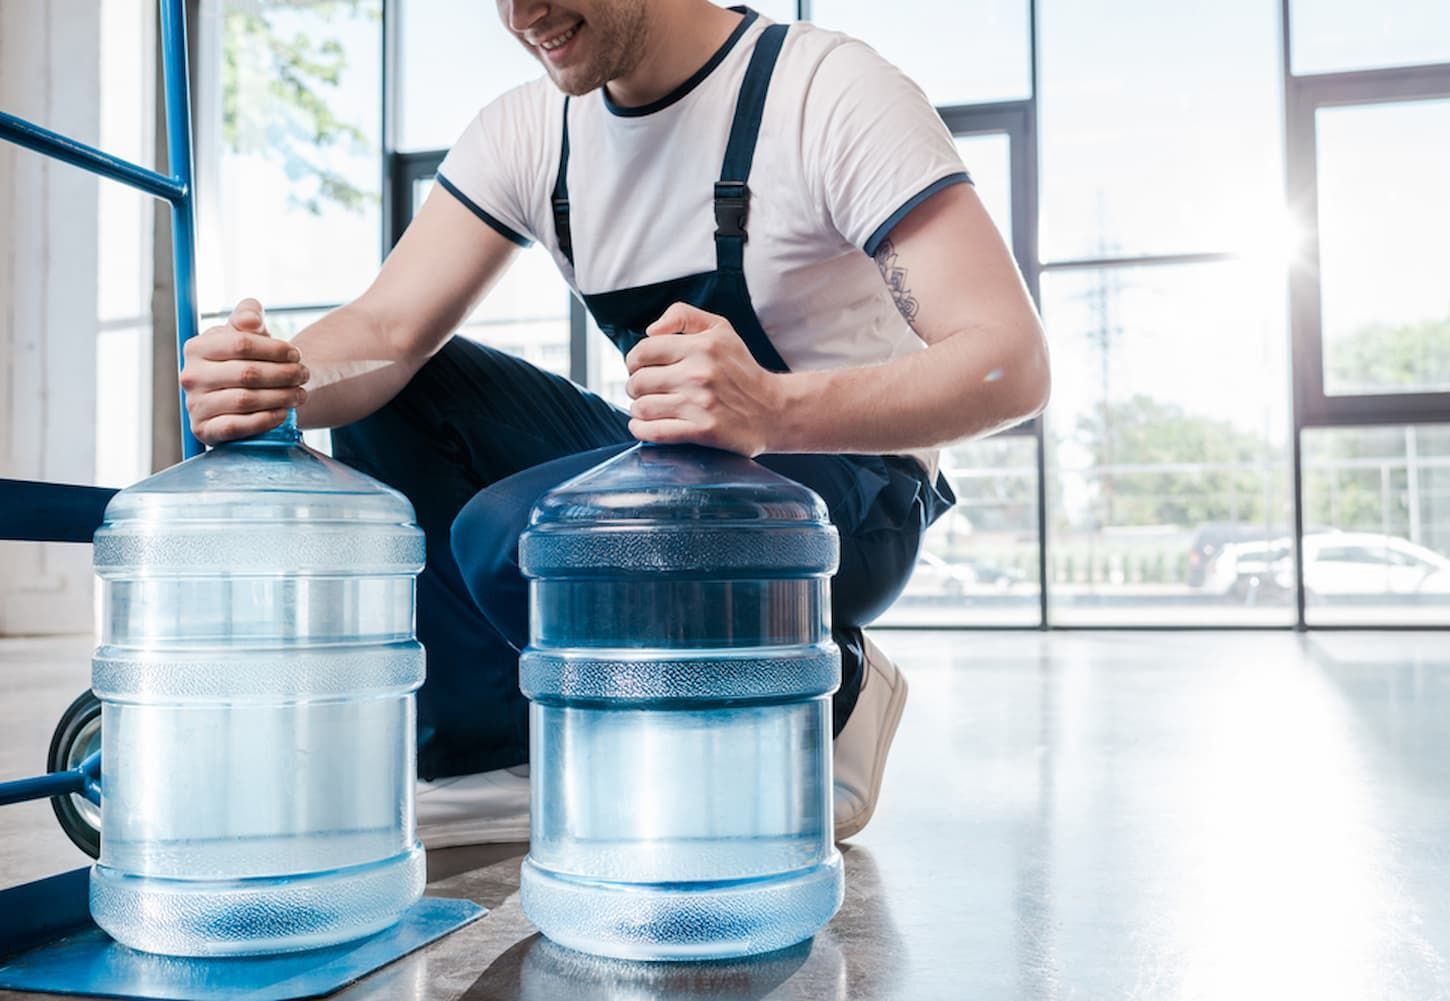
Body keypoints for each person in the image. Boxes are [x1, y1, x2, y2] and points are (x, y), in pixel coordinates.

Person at [180, 0, 1049, 847]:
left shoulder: (823, 90)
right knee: (402, 390)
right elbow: (385, 333)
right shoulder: (531, 131)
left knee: (515, 535)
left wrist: (770, 408)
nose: (523, 15)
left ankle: (827, 693)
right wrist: (277, 379)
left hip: (849, 494)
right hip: (677, 465)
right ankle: (502, 753)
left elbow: (1012, 362)